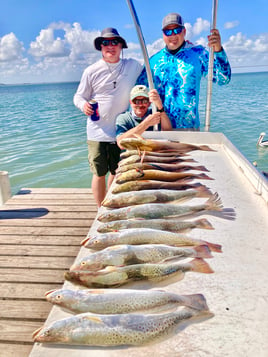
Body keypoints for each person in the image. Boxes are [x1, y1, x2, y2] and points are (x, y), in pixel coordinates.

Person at [73, 28, 142, 207]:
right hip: (97, 132)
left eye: (114, 42)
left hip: (122, 131)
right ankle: (100, 210)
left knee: (118, 171)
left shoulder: (132, 65)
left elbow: (153, 68)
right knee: (99, 173)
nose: (110, 46)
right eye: (105, 43)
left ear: (121, 46)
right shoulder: (91, 71)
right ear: (100, 47)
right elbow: (78, 96)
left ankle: (112, 205)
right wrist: (84, 105)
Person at [136, 12, 231, 130]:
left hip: (189, 129)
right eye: (168, 31)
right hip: (159, 128)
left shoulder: (198, 54)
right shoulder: (153, 61)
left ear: (184, 31)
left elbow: (224, 79)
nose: (173, 35)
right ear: (163, 35)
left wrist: (218, 50)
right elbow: (139, 93)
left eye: (177, 30)